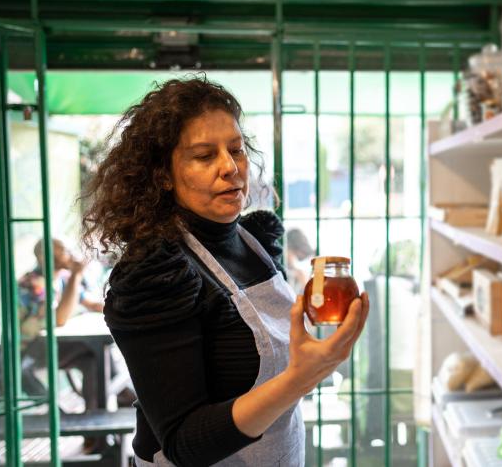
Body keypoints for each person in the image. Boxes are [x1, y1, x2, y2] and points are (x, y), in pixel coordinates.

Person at [81, 76, 368, 467]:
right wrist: (300, 378)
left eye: (236, 149)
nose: (231, 167)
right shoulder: (155, 275)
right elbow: (183, 444)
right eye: (204, 156)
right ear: (163, 176)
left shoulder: (255, 242)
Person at [18, 238, 105, 412]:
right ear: (45, 258)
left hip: (51, 345)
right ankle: (118, 400)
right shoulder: (32, 284)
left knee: (92, 361)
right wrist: (76, 275)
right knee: (94, 347)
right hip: (29, 351)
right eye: (63, 251)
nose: (70, 255)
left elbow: (91, 304)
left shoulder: (62, 278)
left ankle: (94, 422)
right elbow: (59, 320)